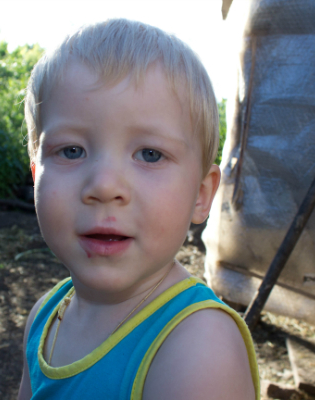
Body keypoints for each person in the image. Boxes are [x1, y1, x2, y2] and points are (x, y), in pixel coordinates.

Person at [17, 18, 259, 400]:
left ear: (200, 195)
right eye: (72, 151)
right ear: (36, 178)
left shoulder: (198, 350)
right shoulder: (44, 318)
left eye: (149, 154)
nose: (104, 186)